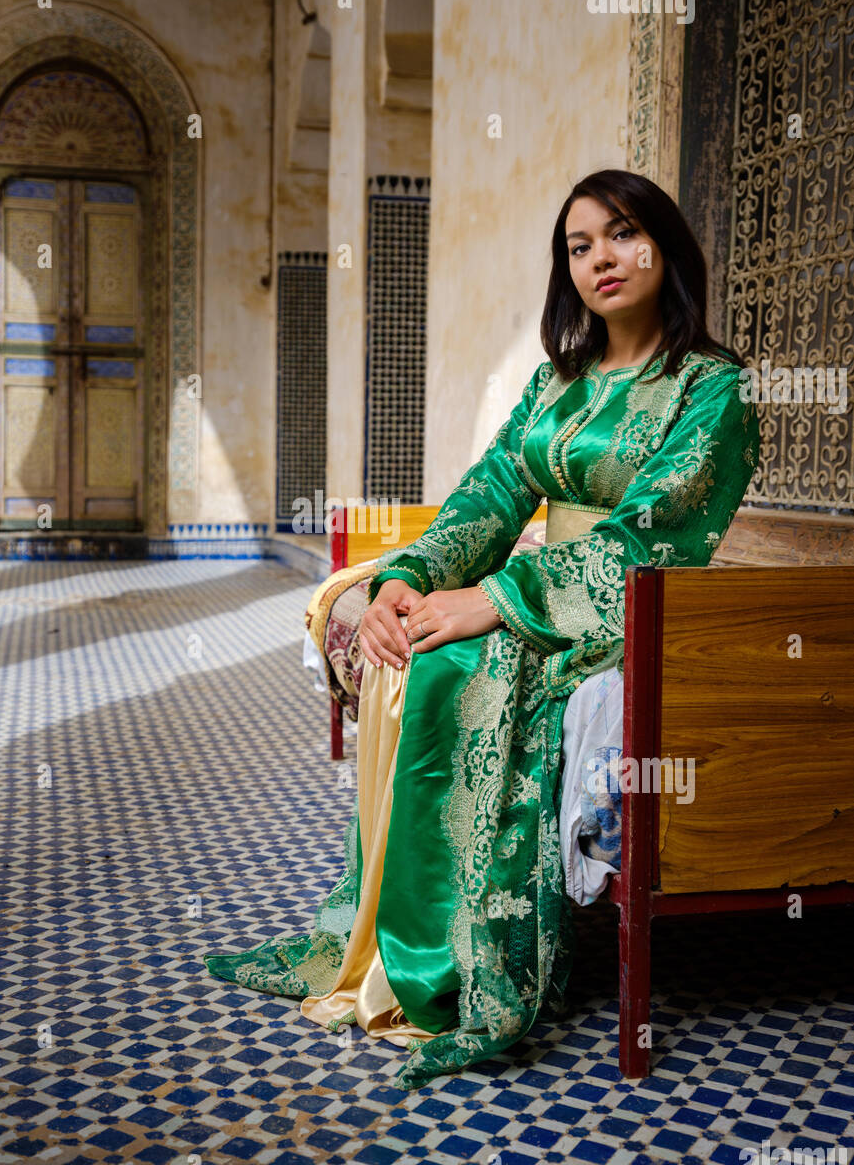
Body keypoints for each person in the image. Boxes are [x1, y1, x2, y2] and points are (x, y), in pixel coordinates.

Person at [204, 168, 760, 1090]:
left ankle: (467, 962)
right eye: (578, 247)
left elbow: (654, 530)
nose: (600, 260)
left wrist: (496, 603)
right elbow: (493, 492)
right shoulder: (561, 383)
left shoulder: (712, 389)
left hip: (633, 602)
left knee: (467, 663)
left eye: (620, 235)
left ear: (665, 242)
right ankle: (404, 946)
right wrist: (409, 578)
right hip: (547, 584)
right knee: (412, 648)